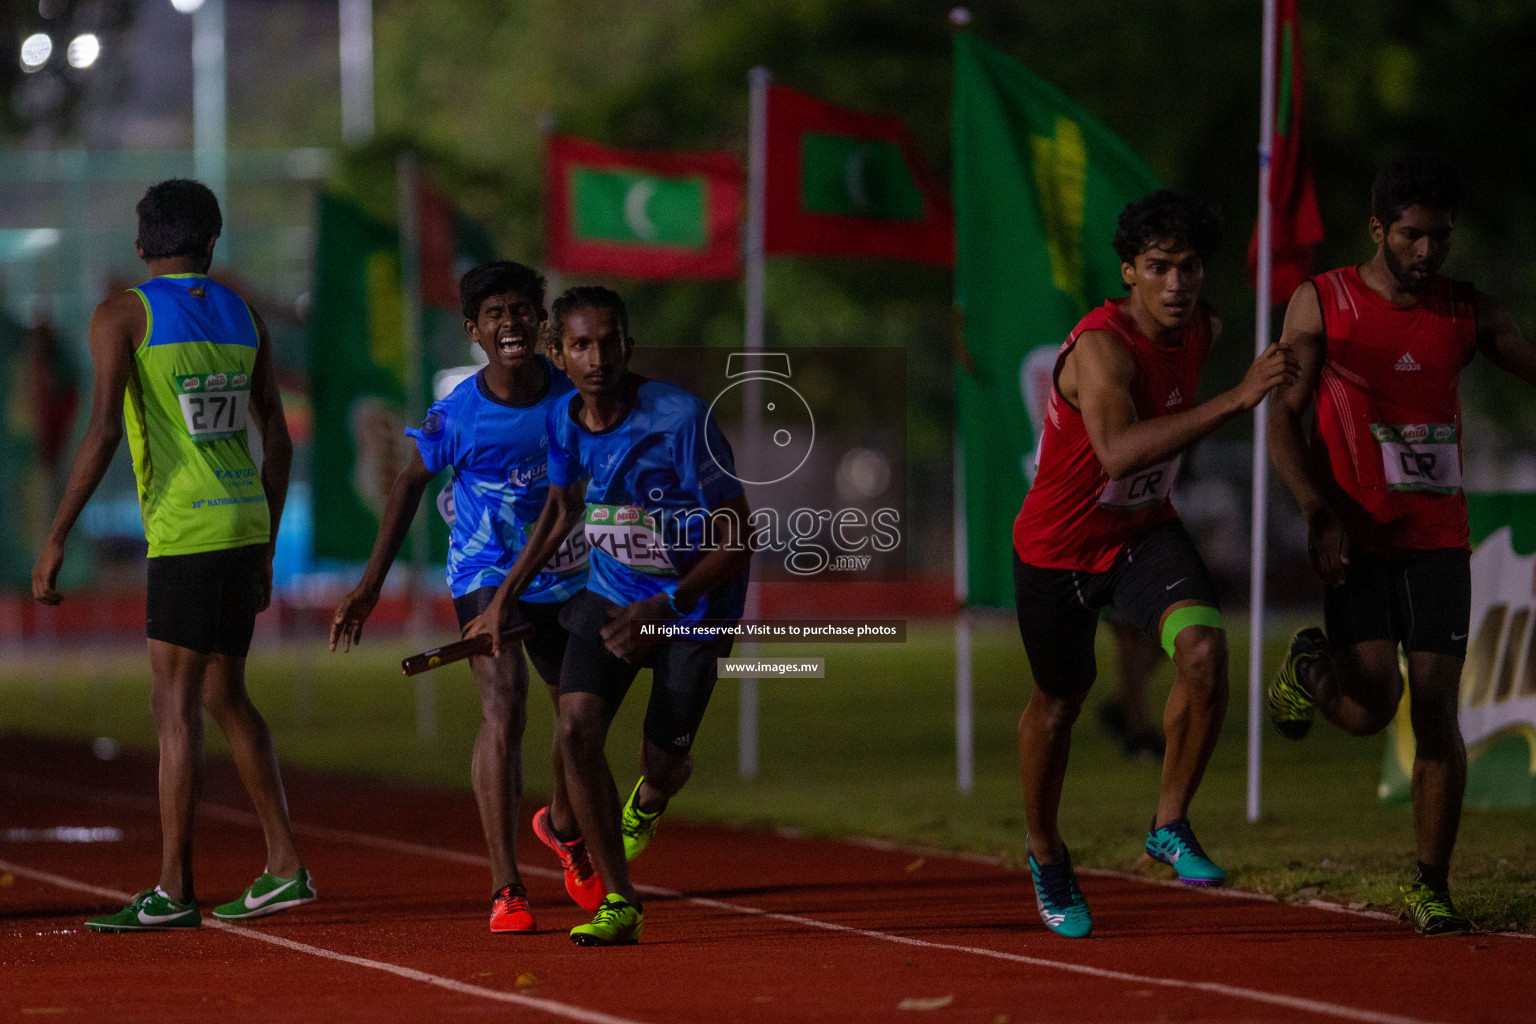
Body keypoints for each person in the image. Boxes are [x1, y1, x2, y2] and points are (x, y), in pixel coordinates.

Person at [1011, 190, 1295, 938]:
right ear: (1130, 272)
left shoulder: (1203, 327)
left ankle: (1169, 822)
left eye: (1191, 267)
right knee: (1061, 705)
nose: (1178, 283)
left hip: (1141, 533)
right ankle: (1045, 851)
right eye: (1160, 267)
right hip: (1057, 550)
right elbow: (1119, 452)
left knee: (1203, 650)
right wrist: (1237, 401)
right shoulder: (1103, 349)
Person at [1265, 154, 1536, 937]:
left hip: (1438, 538)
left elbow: (1528, 357)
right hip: (1356, 536)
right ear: (1377, 229)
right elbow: (1284, 417)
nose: (1427, 253)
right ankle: (1309, 668)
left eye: (1441, 238)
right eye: (1412, 236)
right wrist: (1317, 511)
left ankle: (1430, 883)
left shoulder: (1465, 312)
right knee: (1369, 707)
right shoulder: (1324, 304)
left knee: (1438, 709)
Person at [32, 179, 313, 931]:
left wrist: (57, 535)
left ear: (139, 245)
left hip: (186, 533)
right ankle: (284, 866)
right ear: (213, 242)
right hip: (243, 524)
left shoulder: (123, 313)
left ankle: (173, 890)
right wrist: (264, 542)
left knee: (174, 710)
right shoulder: (243, 313)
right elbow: (278, 442)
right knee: (225, 697)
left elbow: (100, 434)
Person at [467, 286, 752, 946]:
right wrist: (504, 597)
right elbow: (563, 508)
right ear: (558, 353)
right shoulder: (563, 420)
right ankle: (620, 899)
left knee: (665, 764)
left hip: (691, 608)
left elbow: (739, 536)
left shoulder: (681, 421)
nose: (596, 357)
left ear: (629, 345)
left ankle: (647, 803)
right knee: (576, 725)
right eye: (580, 345)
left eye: (607, 341)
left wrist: (668, 603)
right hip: (612, 592)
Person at [330, 261, 602, 933]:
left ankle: (564, 826)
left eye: (521, 310)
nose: (509, 322)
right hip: (483, 571)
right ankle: (506, 886)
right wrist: (368, 587)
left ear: (540, 322)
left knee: (580, 721)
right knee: (504, 709)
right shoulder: (456, 414)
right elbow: (406, 487)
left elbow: (586, 490)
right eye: (494, 314)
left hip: (564, 572)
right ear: (472, 330)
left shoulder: (572, 399)